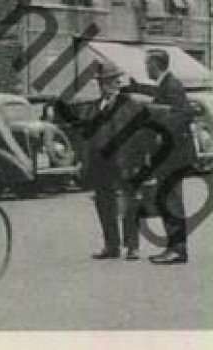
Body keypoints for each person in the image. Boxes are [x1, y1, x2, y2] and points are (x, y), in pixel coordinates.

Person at [128, 48, 194, 265]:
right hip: (169, 154)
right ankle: (173, 247)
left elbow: (183, 114)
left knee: (171, 200)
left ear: (156, 64)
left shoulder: (172, 85)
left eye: (147, 64)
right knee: (167, 199)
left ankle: (178, 249)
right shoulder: (166, 84)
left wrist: (161, 131)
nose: (146, 68)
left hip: (173, 155)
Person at [75, 65, 147, 260]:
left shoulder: (130, 105)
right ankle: (111, 246)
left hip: (124, 160)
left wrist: (140, 161)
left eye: (116, 80)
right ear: (102, 84)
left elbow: (141, 134)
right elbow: (85, 136)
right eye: (110, 81)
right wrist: (82, 160)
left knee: (130, 203)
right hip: (99, 161)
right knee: (103, 202)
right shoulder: (93, 107)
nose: (115, 84)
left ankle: (132, 247)